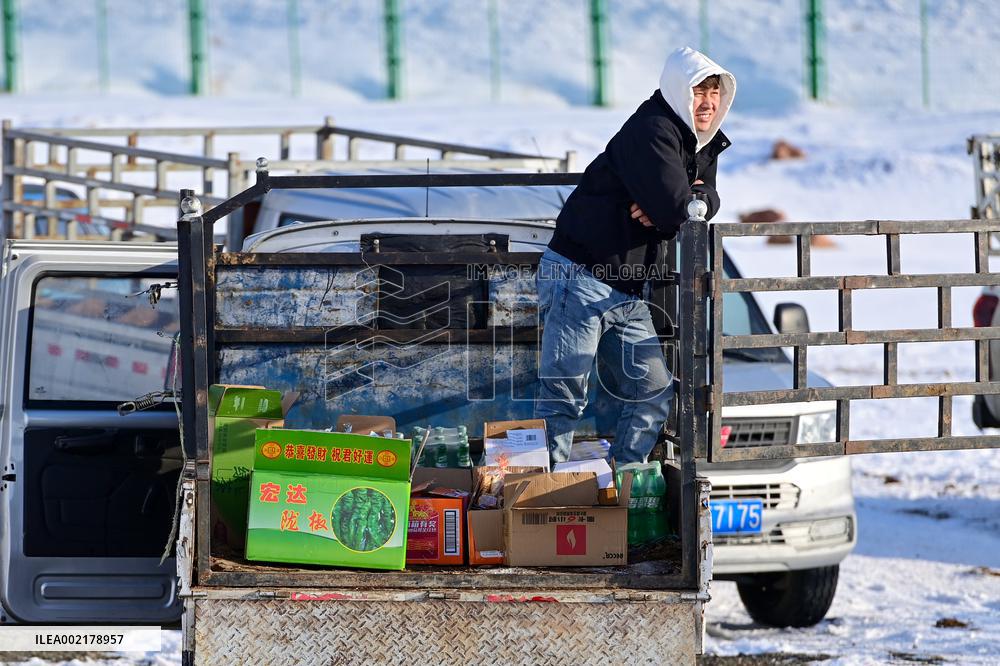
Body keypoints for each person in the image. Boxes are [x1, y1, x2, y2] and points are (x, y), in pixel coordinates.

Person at [535, 46, 736, 465]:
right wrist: (676, 207)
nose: (709, 102)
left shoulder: (701, 142)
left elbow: (700, 204)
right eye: (700, 91)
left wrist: (682, 203)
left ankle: (623, 491)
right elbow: (677, 210)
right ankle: (543, 501)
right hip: (580, 275)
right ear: (681, 90)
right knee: (565, 395)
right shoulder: (654, 129)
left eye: (715, 93)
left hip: (626, 289)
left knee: (654, 393)